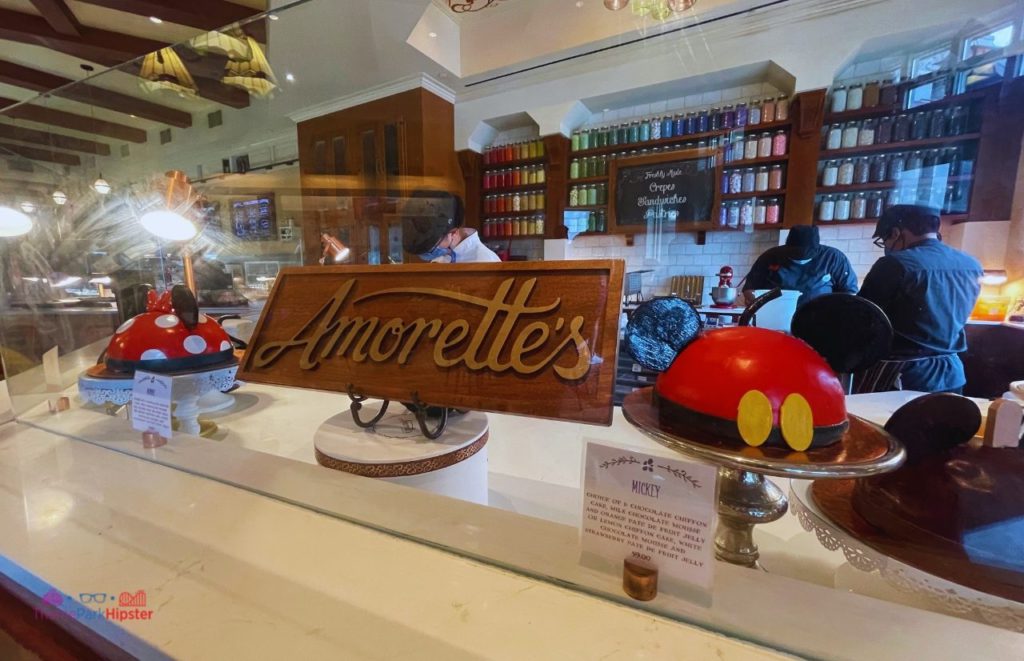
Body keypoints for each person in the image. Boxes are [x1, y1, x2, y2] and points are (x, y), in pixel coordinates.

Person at [858, 205, 982, 394]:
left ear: (896, 232)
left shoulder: (895, 264)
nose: (887, 247)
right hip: (952, 374)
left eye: (886, 240)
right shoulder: (972, 264)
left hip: (903, 377)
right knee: (949, 423)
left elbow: (862, 316)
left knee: (879, 424)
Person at [742, 225, 858, 307]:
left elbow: (849, 292)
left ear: (816, 249)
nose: (800, 259)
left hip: (820, 318)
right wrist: (758, 304)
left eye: (805, 255)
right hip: (775, 317)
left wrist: (832, 310)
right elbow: (749, 288)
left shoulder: (833, 258)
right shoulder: (770, 256)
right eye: (795, 254)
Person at [402, 191, 500, 263]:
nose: (429, 254)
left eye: (432, 248)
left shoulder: (485, 261)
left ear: (453, 233)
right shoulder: (441, 258)